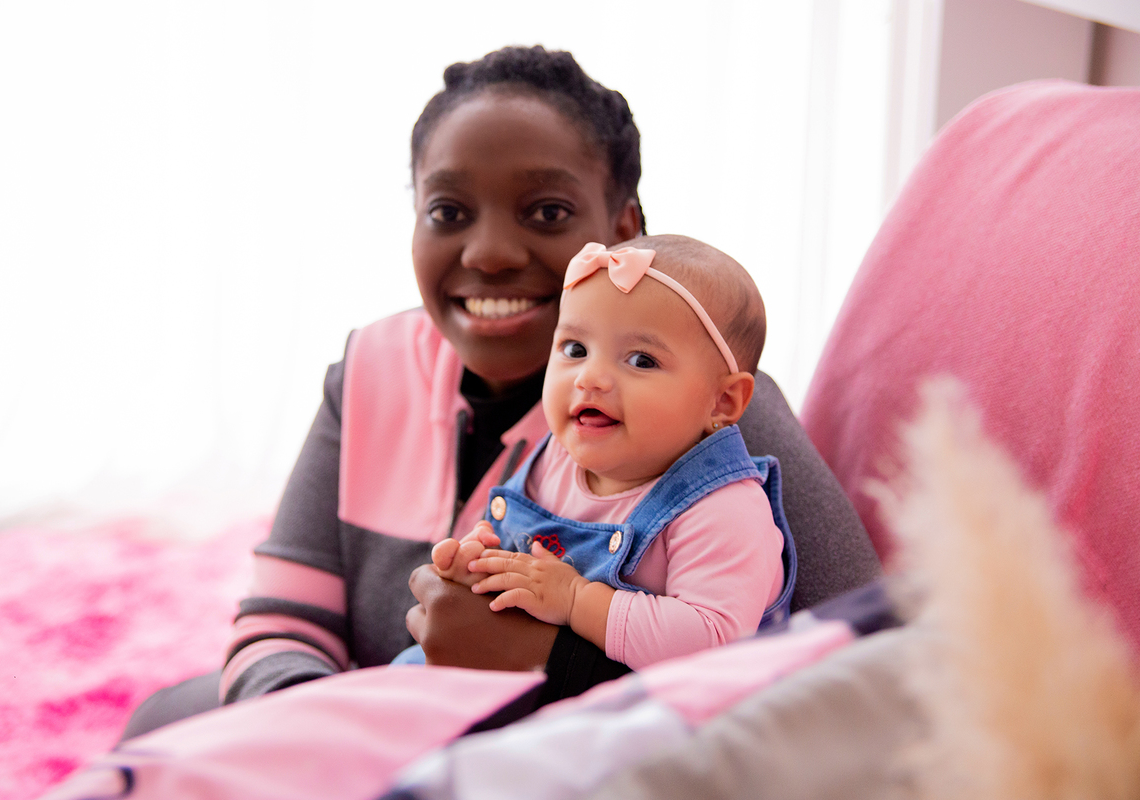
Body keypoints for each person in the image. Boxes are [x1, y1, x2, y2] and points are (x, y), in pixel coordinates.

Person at [121, 45, 879, 741]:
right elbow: (283, 620)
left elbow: (855, 670)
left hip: (577, 753)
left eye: (547, 213)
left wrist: (549, 664)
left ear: (623, 233)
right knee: (168, 720)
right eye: (448, 212)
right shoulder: (369, 369)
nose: (487, 254)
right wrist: (325, 743)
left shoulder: (709, 421)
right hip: (376, 730)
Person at [399, 235, 794, 670]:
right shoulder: (556, 460)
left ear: (722, 402)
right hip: (528, 686)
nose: (591, 378)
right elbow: (523, 566)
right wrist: (483, 564)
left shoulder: (723, 508)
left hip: (661, 725)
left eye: (642, 360)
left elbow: (713, 643)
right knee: (398, 676)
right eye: (575, 350)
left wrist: (577, 599)